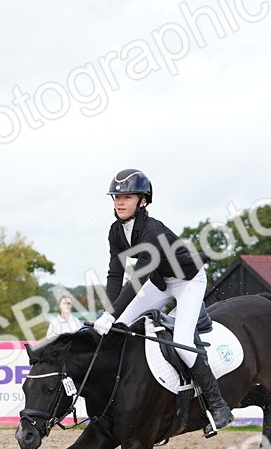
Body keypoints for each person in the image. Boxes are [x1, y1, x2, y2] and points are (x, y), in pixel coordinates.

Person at [93, 168, 233, 434]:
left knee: (181, 343)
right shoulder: (115, 231)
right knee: (119, 327)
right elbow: (115, 273)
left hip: (188, 282)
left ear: (142, 201)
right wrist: (110, 313)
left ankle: (218, 406)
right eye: (116, 197)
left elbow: (137, 280)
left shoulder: (152, 231)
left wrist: (110, 315)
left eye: (127, 197)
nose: (119, 203)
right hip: (161, 281)